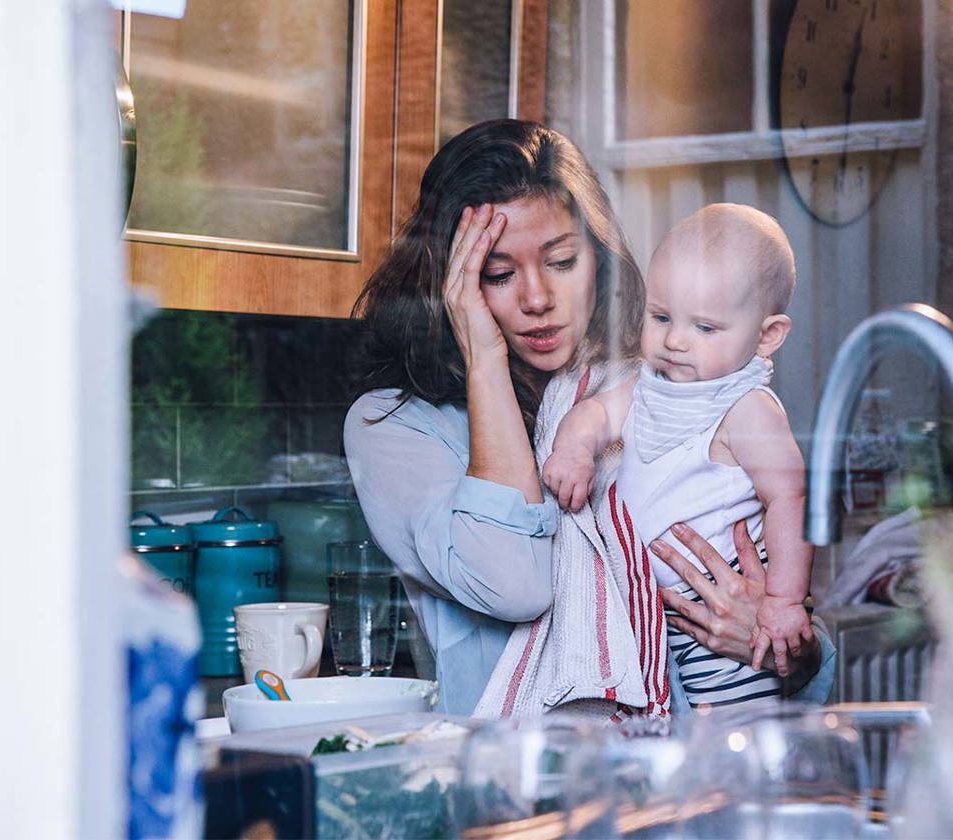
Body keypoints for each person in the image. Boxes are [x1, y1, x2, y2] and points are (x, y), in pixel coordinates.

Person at [343, 119, 832, 717]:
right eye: (497, 274)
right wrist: (485, 357)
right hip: (517, 785)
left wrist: (780, 643)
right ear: (451, 283)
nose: (537, 298)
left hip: (683, 765)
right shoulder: (395, 427)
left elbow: (804, 655)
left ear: (598, 260)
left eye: (562, 261)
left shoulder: (658, 388)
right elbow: (515, 583)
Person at [542, 204, 813, 712]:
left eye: (705, 328)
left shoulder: (745, 407)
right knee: (674, 740)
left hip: (723, 615)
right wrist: (574, 449)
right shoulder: (650, 386)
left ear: (766, 335)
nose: (674, 340)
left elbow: (790, 498)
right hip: (657, 616)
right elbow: (596, 414)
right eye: (661, 317)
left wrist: (782, 602)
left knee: (732, 735)